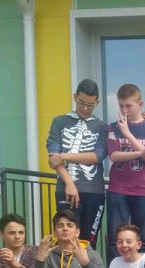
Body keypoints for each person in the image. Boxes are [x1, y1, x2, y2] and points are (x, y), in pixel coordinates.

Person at [46, 79, 107, 247]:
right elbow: (53, 157)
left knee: (88, 241)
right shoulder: (59, 121)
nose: (85, 108)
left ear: (97, 103)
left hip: (94, 191)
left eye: (90, 105)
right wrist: (69, 183)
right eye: (81, 103)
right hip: (65, 189)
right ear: (74, 97)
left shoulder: (102, 126)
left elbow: (97, 156)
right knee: (66, 239)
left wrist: (64, 156)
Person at [106, 83, 145, 261]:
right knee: (115, 238)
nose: (124, 110)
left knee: (143, 239)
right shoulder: (113, 127)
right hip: (118, 188)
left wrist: (128, 134)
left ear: (140, 104)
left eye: (128, 106)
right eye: (121, 106)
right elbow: (114, 156)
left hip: (144, 190)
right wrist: (141, 152)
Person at [32, 209, 105, 268]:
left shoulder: (92, 254)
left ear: (77, 232)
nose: (65, 229)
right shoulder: (49, 255)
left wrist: (86, 264)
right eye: (60, 226)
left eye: (69, 225)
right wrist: (40, 261)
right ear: (55, 233)